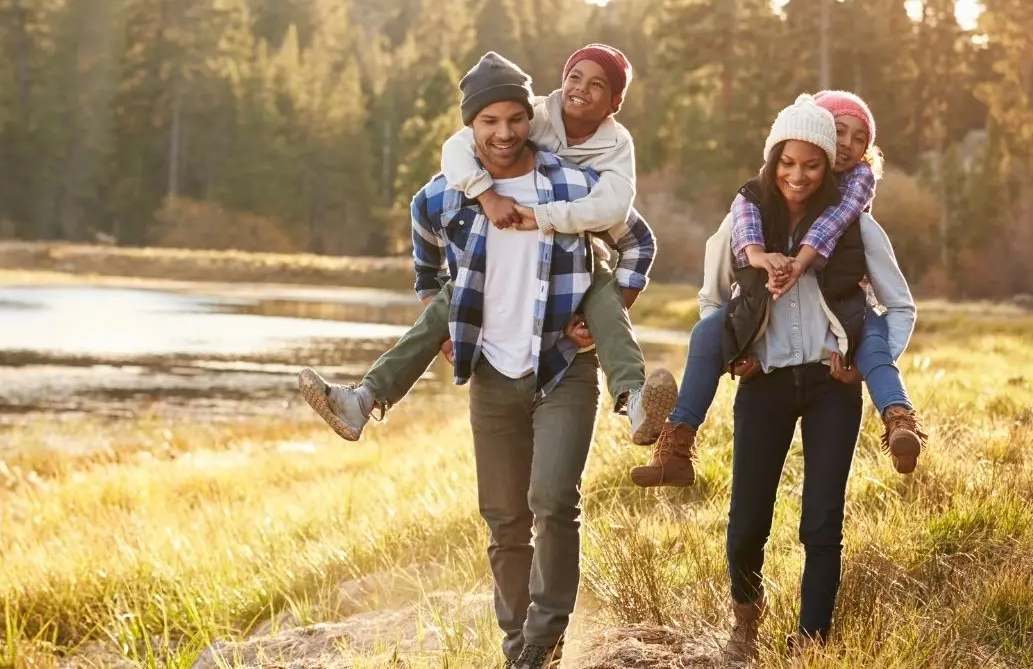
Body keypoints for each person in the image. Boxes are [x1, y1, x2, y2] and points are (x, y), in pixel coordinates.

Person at [404, 53, 657, 667]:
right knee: (504, 519)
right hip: (491, 370)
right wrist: (445, 322)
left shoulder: (573, 184)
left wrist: (605, 309)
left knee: (553, 501)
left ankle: (543, 643)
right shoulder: (448, 193)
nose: (503, 132)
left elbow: (636, 239)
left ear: (529, 118)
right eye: (488, 120)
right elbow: (426, 258)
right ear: (472, 126)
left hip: (563, 363)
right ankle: (517, 643)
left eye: (514, 118)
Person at [299, 45, 675, 447]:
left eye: (597, 84)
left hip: (580, 254)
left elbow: (621, 212)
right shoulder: (532, 115)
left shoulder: (614, 148)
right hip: (497, 258)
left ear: (615, 103)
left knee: (603, 295)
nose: (505, 132)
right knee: (451, 298)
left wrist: (606, 309)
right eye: (575, 77)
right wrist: (485, 195)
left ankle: (634, 401)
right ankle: (362, 400)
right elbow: (457, 149)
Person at [678, 95, 916, 657]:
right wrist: (736, 352)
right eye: (789, 162)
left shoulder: (856, 226)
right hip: (764, 382)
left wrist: (860, 365)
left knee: (822, 521)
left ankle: (811, 641)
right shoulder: (745, 220)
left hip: (831, 387)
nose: (799, 174)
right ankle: (745, 621)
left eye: (813, 162)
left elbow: (899, 306)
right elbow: (712, 302)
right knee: (746, 522)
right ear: (775, 158)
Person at [630, 90, 926, 488]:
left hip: (843, 324)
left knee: (873, 342)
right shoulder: (753, 201)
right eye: (839, 132)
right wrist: (737, 346)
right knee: (706, 333)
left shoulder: (854, 204)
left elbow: (836, 227)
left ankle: (899, 419)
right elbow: (717, 283)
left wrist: (800, 263)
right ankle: (677, 443)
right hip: (765, 357)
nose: (848, 146)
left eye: (860, 139)